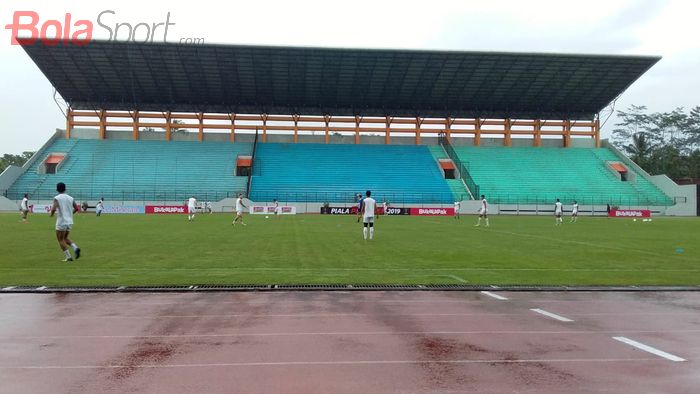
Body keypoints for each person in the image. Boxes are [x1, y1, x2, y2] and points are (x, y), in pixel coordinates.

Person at [49, 182, 81, 262]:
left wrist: (51, 214)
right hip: (69, 221)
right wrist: (70, 214)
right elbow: (77, 208)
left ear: (57, 189)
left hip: (61, 221)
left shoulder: (57, 198)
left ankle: (69, 257)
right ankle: (75, 247)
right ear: (65, 189)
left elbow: (53, 208)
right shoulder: (70, 198)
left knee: (60, 240)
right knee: (65, 238)